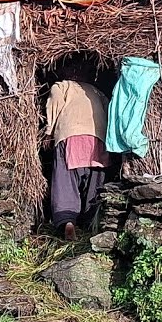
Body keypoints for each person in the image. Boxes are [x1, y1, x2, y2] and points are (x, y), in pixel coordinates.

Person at [45, 75, 110, 241]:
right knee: (94, 182)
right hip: (97, 136)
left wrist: (49, 130)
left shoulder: (62, 86)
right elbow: (107, 109)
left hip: (70, 134)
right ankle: (91, 222)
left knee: (66, 180)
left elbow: (55, 103)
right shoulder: (97, 91)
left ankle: (67, 220)